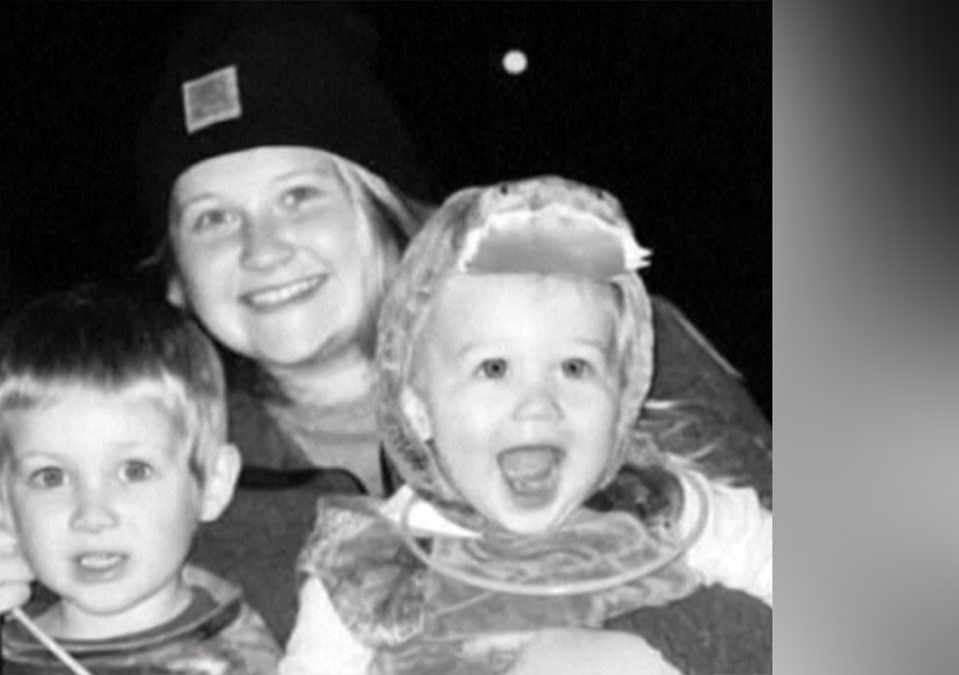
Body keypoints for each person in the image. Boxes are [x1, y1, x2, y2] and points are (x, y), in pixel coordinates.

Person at [0, 4, 773, 663]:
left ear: (384, 205)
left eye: (301, 195)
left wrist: (650, 650)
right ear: (174, 273)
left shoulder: (601, 348)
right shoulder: (163, 457)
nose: (262, 247)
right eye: (211, 217)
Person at [279, 176, 772, 675]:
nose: (537, 405)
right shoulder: (373, 564)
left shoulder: (663, 507)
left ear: (622, 397)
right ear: (417, 409)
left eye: (574, 368)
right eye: (493, 368)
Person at [0, 285, 280, 674]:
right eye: (51, 477)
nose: (92, 516)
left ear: (213, 482)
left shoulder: (239, 659)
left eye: (135, 471)